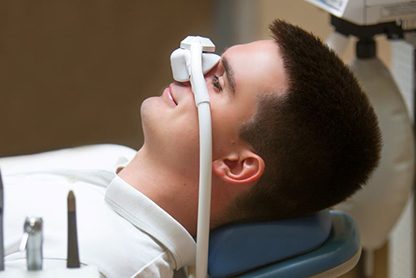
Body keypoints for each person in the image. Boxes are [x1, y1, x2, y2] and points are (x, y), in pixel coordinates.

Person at [0, 19, 381, 277]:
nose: (188, 69)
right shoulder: (116, 160)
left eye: (218, 83)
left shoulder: (101, 263)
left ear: (236, 165)